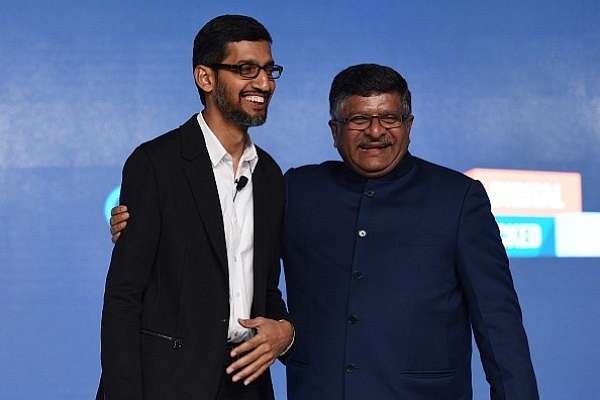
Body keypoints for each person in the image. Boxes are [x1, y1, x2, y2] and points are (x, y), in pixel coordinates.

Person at [110, 63, 539, 399]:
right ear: (334, 132)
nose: (375, 131)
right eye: (358, 120)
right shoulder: (294, 188)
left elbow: (497, 322)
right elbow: (224, 245)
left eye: (389, 117)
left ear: (409, 125)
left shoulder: (458, 198)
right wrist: (150, 225)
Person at [97, 14, 293, 400]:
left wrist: (285, 330)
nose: (264, 84)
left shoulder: (269, 175)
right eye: (246, 69)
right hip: (167, 381)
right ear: (205, 78)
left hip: (245, 383)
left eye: (270, 71)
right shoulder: (155, 163)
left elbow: (265, 287)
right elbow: (123, 296)